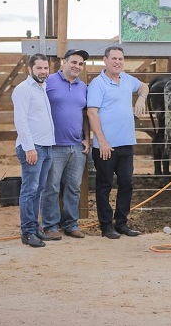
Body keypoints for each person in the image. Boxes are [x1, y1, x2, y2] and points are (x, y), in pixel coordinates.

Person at [87, 46, 149, 239]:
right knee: (104, 185)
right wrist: (102, 142)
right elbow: (92, 112)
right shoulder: (98, 84)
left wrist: (141, 98)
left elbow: (144, 86)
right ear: (105, 60)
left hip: (125, 143)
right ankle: (106, 226)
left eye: (120, 59)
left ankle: (121, 223)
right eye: (113, 58)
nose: (118, 62)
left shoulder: (127, 80)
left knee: (126, 184)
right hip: (106, 146)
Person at [41, 49, 91, 240]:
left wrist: (86, 137)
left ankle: (71, 224)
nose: (77, 66)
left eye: (81, 64)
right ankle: (50, 226)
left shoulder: (83, 87)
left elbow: (85, 115)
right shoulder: (49, 82)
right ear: (64, 62)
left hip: (77, 146)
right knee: (51, 187)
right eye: (74, 62)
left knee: (73, 187)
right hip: (53, 145)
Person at [12, 53, 55, 248]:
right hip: (33, 147)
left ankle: (34, 228)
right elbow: (20, 121)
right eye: (39, 68)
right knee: (29, 190)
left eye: (46, 68)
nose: (43, 71)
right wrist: (29, 148)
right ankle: (27, 232)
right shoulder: (23, 90)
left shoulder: (42, 88)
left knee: (38, 190)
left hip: (46, 146)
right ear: (30, 70)